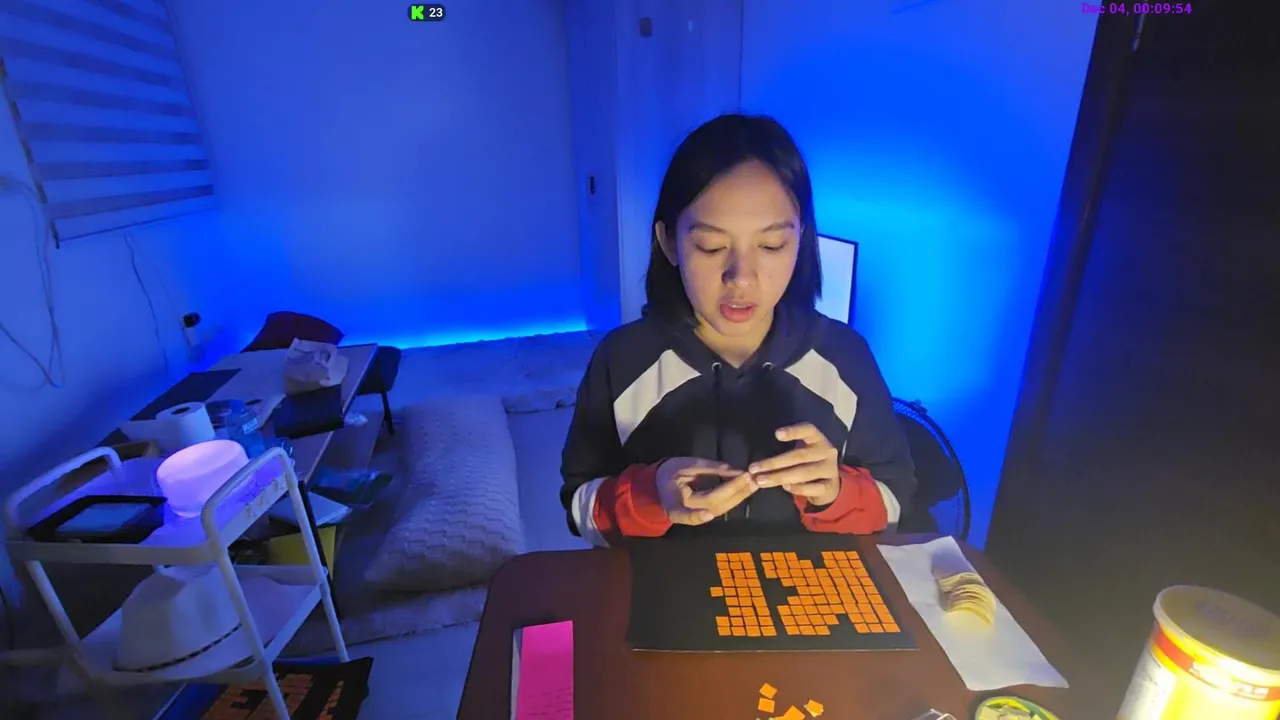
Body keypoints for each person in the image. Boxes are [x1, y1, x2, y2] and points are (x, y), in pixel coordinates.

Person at [559, 113, 917, 547]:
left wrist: (836, 493)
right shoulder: (621, 359)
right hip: (664, 584)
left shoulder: (846, 357)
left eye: (771, 245)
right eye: (711, 246)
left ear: (801, 240)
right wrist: (649, 496)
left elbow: (896, 502)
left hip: (805, 585)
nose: (741, 278)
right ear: (669, 242)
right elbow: (579, 506)